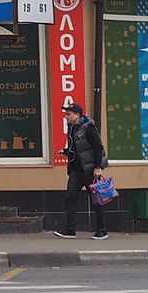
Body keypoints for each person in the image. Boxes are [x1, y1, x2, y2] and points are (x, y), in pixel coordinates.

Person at [54, 100, 110, 240]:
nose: (66, 116)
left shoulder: (88, 127)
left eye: (68, 114)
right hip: (76, 170)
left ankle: (102, 230)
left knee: (96, 199)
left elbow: (98, 147)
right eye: (66, 114)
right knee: (70, 197)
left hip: (89, 170)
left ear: (77, 115)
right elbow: (77, 147)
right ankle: (70, 230)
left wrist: (98, 167)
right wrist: (66, 151)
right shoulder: (72, 127)